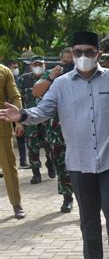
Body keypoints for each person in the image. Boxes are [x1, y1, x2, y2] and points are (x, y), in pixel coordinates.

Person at [0, 31, 109, 259]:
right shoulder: (62, 84)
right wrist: (20, 115)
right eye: (78, 52)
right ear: (72, 54)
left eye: (89, 52)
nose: (83, 56)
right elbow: (42, 111)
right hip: (78, 161)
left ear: (98, 53)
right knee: (87, 216)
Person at [32, 48, 75, 213]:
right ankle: (67, 197)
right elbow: (37, 91)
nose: (69, 64)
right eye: (65, 61)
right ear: (60, 60)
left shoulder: (84, 74)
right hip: (57, 129)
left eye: (72, 61)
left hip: (81, 127)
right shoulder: (53, 74)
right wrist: (51, 77)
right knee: (61, 163)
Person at [17, 56, 55, 184]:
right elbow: (19, 98)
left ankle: (50, 163)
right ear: (31, 65)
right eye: (35, 64)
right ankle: (36, 173)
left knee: (50, 145)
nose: (38, 66)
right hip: (30, 118)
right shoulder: (24, 79)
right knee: (32, 146)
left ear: (44, 65)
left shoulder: (50, 77)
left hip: (47, 118)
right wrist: (19, 121)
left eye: (40, 64)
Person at [0, 63, 25, 219]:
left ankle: (16, 204)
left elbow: (15, 96)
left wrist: (19, 120)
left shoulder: (4, 71)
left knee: (9, 167)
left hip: (1, 125)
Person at [6, 60, 29, 169]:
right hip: (5, 112)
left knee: (21, 136)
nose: (16, 69)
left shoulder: (20, 80)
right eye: (13, 67)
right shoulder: (4, 79)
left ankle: (23, 161)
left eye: (16, 67)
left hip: (18, 111)